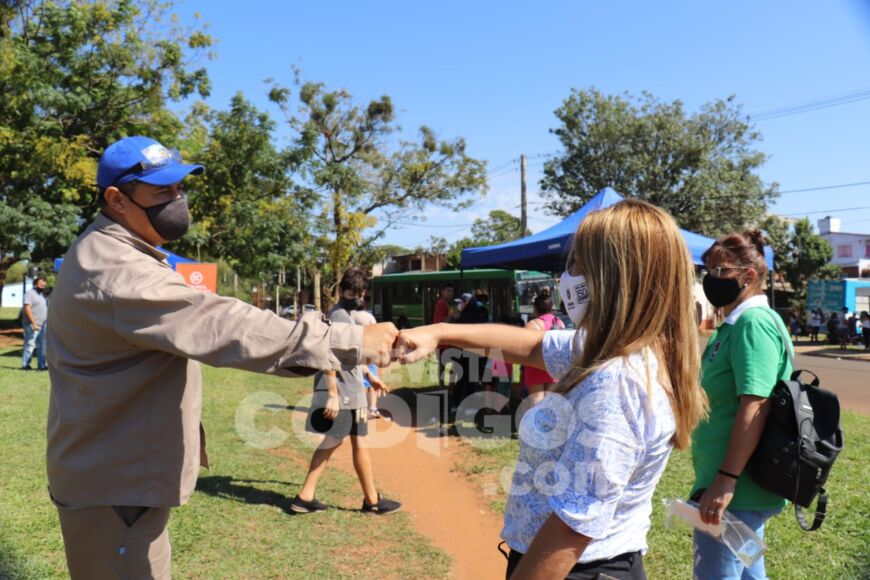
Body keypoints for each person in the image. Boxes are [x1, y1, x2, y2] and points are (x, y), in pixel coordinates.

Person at [45, 136, 399, 579]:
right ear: (116, 199)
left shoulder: (117, 253)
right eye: (162, 192)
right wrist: (351, 340)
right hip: (114, 488)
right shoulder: (115, 269)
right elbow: (221, 324)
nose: (177, 200)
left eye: (179, 189)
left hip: (116, 479)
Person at [397, 199, 707, 579]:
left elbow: (571, 528)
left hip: (578, 570)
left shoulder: (617, 380)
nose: (569, 274)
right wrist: (440, 333)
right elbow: (530, 347)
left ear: (614, 278)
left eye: (579, 262)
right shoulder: (606, 350)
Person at [692, 229, 793, 580]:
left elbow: (757, 405)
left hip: (736, 491)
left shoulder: (753, 323)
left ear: (748, 277)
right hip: (737, 490)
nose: (711, 280)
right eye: (709, 272)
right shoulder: (736, 323)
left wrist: (725, 481)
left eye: (720, 272)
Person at [293, 267, 401, 515]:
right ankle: (304, 496)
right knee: (333, 440)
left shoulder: (348, 315)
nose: (358, 297)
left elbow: (349, 355)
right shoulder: (340, 316)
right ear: (341, 290)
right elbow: (328, 354)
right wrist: (332, 394)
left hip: (354, 388)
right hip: (343, 393)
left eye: (361, 292)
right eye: (353, 291)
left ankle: (371, 499)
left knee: (359, 442)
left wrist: (370, 375)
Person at [522, 288, 566, 405]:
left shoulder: (533, 324)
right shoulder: (560, 323)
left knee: (536, 403)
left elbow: (524, 347)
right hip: (554, 366)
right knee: (551, 403)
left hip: (535, 366)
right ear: (551, 308)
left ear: (535, 309)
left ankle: (536, 423)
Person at [351, 304, 389, 420]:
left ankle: (360, 408)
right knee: (373, 378)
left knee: (359, 379)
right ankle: (372, 408)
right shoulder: (369, 316)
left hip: (356, 350)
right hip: (370, 350)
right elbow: (376, 332)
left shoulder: (350, 316)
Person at [21, 276, 49, 371]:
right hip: (32, 324)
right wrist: (34, 323)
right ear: (35, 284)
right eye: (41, 285)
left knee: (42, 346)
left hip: (43, 325)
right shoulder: (30, 294)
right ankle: (25, 365)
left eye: (44, 285)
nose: (43, 287)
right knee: (30, 345)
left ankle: (41, 365)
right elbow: (27, 309)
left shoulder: (40, 294)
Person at [432, 283, 454, 388]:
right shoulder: (442, 304)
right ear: (442, 291)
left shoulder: (443, 303)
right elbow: (442, 322)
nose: (450, 293)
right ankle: (447, 385)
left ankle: (445, 385)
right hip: (443, 341)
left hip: (442, 340)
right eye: (448, 291)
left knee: (445, 364)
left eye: (451, 291)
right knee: (446, 364)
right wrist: (451, 315)